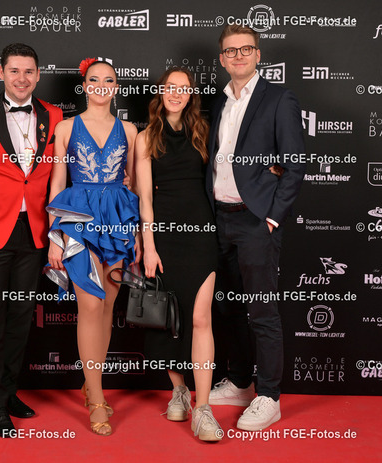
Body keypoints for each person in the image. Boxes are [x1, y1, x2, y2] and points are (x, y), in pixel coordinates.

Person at [0, 43, 63, 436]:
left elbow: (61, 172)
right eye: (14, 71)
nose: (22, 78)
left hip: (34, 229)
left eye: (29, 71)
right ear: (1, 73)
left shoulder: (54, 115)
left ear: (38, 75)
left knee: (21, 317)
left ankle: (7, 391)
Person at [206, 25, 305, 431]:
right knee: (228, 307)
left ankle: (269, 396)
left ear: (258, 54)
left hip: (255, 220)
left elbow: (294, 165)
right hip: (220, 218)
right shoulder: (220, 101)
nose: (239, 56)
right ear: (222, 59)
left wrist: (271, 218)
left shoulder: (279, 98)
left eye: (246, 49)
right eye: (231, 51)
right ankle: (241, 381)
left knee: (261, 310)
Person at [45, 57, 139, 436]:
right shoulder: (66, 127)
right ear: (84, 86)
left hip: (116, 219)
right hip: (77, 221)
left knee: (108, 307)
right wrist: (54, 236)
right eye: (94, 79)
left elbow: (133, 181)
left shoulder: (130, 130)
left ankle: (90, 384)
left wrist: (135, 230)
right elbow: (56, 182)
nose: (101, 85)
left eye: (108, 79)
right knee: (90, 305)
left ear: (116, 87)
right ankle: (97, 399)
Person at [135, 67, 222, 441]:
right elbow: (145, 198)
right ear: (161, 91)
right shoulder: (145, 137)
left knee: (201, 318)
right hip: (164, 236)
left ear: (190, 95)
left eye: (183, 89)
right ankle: (179, 391)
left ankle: (203, 409)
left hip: (201, 233)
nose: (176, 93)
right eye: (170, 87)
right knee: (171, 320)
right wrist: (149, 245)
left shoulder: (204, 131)